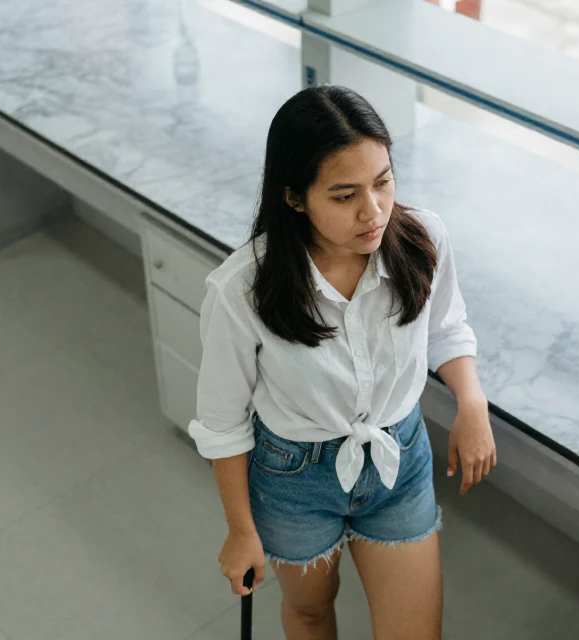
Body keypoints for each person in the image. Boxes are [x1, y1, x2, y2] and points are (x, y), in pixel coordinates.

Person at [188, 85, 497, 640]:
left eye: (383, 182)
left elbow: (447, 327)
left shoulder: (424, 240)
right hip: (292, 478)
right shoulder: (242, 291)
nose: (373, 211)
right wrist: (240, 531)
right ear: (294, 197)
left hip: (398, 459)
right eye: (344, 194)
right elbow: (222, 424)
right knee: (310, 611)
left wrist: (472, 403)